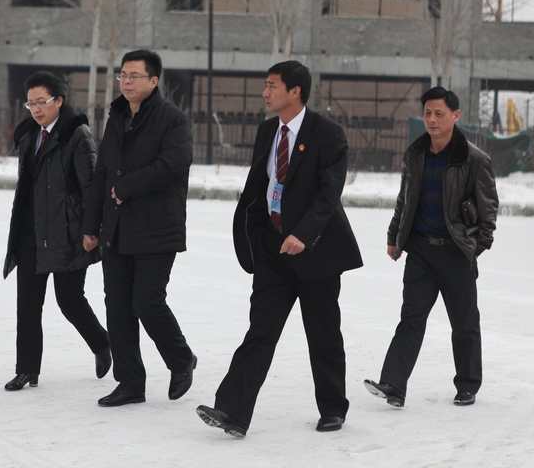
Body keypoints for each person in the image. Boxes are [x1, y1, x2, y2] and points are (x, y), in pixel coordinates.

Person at [196, 61, 363, 438]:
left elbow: (329, 193)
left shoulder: (327, 133)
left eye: (272, 86)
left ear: (295, 92)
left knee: (323, 334)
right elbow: (262, 184)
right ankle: (232, 411)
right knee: (260, 330)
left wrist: (303, 233)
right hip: (273, 249)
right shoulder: (267, 131)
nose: (265, 92)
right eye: (265, 85)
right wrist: (257, 232)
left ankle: (333, 408)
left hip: (315, 250)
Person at [364, 86, 499, 408]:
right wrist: (394, 236)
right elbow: (405, 200)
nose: (432, 119)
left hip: (456, 253)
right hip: (421, 253)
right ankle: (393, 385)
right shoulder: (415, 155)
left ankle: (467, 385)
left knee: (464, 324)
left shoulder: (474, 159)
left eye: (439, 113)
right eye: (427, 113)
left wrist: (475, 247)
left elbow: (489, 210)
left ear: (456, 115)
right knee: (410, 319)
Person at [82, 49, 196, 407]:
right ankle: (130, 382)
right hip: (116, 229)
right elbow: (102, 174)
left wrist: (127, 186)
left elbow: (173, 164)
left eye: (135, 76)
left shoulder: (172, 120)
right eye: (123, 75)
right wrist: (91, 225)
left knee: (147, 302)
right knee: (118, 308)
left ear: (153, 80)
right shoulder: (117, 117)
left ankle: (181, 359)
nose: (127, 82)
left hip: (156, 228)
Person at [2, 71, 111, 391]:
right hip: (30, 232)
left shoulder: (77, 134)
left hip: (67, 233)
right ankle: (27, 369)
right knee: (27, 304)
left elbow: (92, 186)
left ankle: (102, 343)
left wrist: (91, 230)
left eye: (42, 102)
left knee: (69, 300)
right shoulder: (28, 135)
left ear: (59, 101)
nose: (35, 109)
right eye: (30, 103)